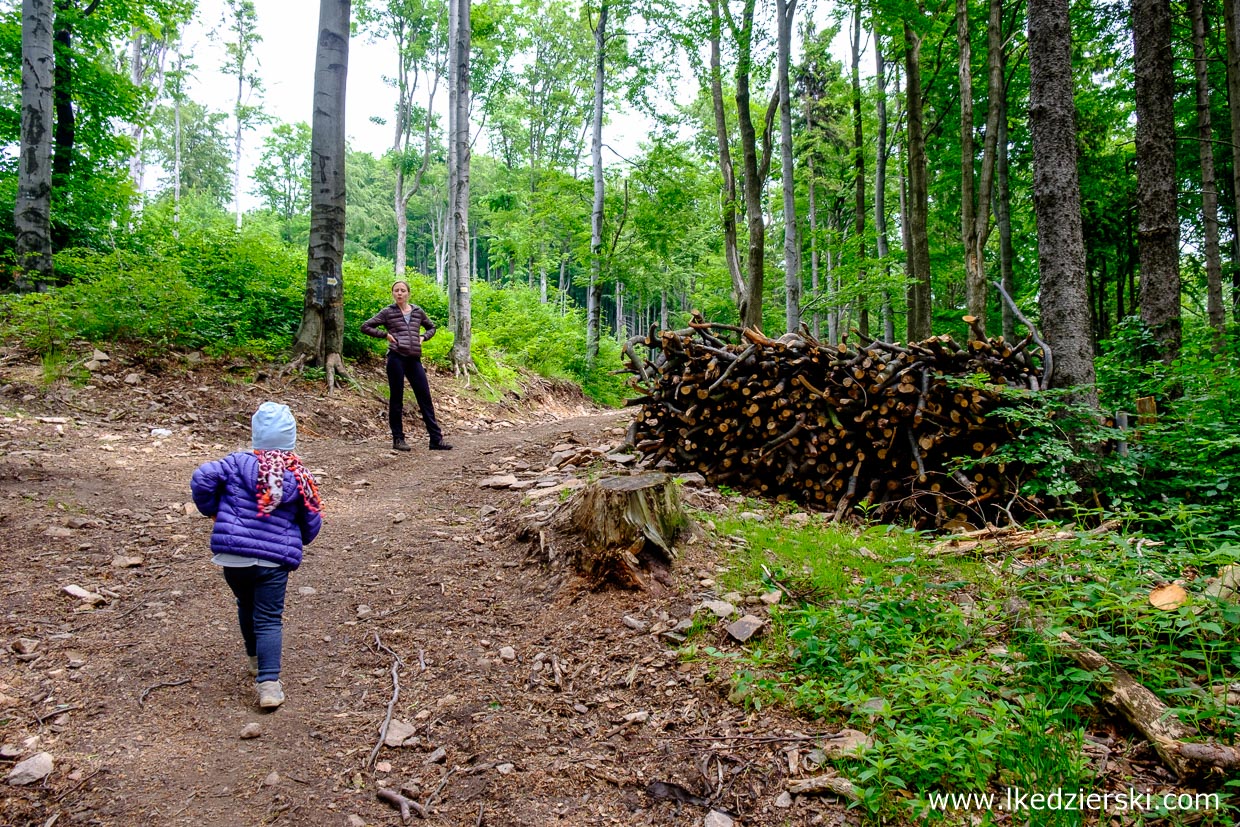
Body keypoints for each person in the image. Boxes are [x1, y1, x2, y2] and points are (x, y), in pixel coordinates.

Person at [190, 402, 322, 710]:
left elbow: (201, 478)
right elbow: (311, 517)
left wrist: (212, 510)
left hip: (233, 556)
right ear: (291, 439)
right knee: (268, 618)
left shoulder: (235, 463)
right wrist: (298, 537)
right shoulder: (297, 474)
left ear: (255, 436)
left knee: (245, 604)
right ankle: (269, 685)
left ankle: (253, 658)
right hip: (273, 561)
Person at [361, 280, 453, 452]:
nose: (400, 293)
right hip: (396, 357)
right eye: (396, 291)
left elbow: (431, 327)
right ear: (393, 294)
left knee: (425, 397)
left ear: (408, 293)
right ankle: (398, 439)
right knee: (397, 398)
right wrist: (385, 335)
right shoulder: (388, 312)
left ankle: (436, 440)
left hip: (414, 359)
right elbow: (365, 326)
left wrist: (424, 337)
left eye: (403, 290)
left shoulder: (417, 311)